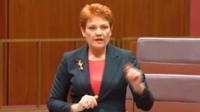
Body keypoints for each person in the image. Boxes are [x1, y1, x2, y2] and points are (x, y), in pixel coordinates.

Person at [48, 3, 154, 112]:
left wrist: (138, 87)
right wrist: (76, 107)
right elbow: (53, 103)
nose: (99, 33)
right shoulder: (69, 59)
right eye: (92, 28)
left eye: (104, 27)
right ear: (83, 31)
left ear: (110, 30)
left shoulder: (125, 58)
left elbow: (146, 105)